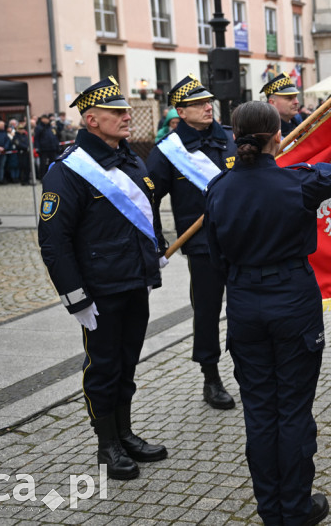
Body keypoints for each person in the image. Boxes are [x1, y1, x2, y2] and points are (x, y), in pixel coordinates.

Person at [205, 101, 331, 526]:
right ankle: (295, 510)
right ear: (277, 136)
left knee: (260, 412)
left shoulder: (218, 189)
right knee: (293, 411)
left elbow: (215, 256)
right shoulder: (297, 183)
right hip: (292, 302)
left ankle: (270, 508)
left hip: (244, 303)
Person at [37, 77, 168, 481]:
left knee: (127, 363)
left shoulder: (130, 158)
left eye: (126, 110)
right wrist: (76, 298)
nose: (128, 116)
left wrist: (155, 250)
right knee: (103, 367)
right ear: (92, 119)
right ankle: (106, 443)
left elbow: (147, 211)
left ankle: (125, 432)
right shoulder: (68, 171)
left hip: (134, 281)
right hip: (100, 290)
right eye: (118, 112)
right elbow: (54, 241)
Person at [148, 76, 236, 410]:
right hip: (201, 244)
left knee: (245, 306)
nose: (207, 106)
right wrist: (157, 239)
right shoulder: (169, 151)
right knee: (208, 310)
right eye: (198, 104)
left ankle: (249, 365)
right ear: (180, 112)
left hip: (240, 239)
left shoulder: (229, 137)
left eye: (208, 101)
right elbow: (147, 198)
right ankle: (210, 376)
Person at [262, 73, 303, 137]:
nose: (296, 102)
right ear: (272, 102)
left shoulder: (297, 124)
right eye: (289, 98)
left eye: (296, 97)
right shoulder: (266, 131)